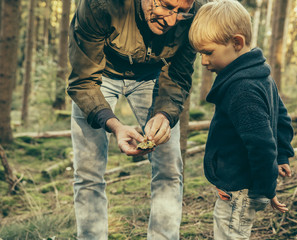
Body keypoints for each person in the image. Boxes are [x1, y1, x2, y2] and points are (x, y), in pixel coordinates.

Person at [67, 0, 201, 239]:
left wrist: (164, 114)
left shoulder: (196, 10)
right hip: (99, 77)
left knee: (169, 167)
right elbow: (82, 80)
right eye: (167, 7)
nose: (171, 20)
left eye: (181, 12)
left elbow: (179, 73)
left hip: (155, 77)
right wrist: (114, 124)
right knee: (88, 172)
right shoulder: (100, 5)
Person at [188, 0, 294, 239]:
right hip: (239, 185)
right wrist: (283, 154)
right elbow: (281, 118)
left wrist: (266, 190)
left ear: (236, 43)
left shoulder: (242, 90)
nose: (203, 61)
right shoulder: (259, 73)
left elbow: (261, 144)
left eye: (208, 52)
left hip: (240, 189)